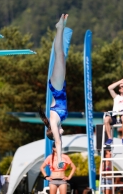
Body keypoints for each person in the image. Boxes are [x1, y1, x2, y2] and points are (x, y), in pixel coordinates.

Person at [38, 14, 70, 168]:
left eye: (59, 133)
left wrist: (59, 160)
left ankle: (59, 28)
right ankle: (60, 29)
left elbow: (58, 142)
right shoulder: (59, 121)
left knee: (60, 55)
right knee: (61, 55)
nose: (62, 132)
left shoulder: (53, 121)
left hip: (56, 88)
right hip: (60, 86)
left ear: (54, 131)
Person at [104, 78, 123, 146]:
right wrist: (120, 81)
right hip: (115, 116)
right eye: (120, 87)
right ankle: (109, 138)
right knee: (106, 119)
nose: (122, 88)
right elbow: (109, 88)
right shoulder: (116, 97)